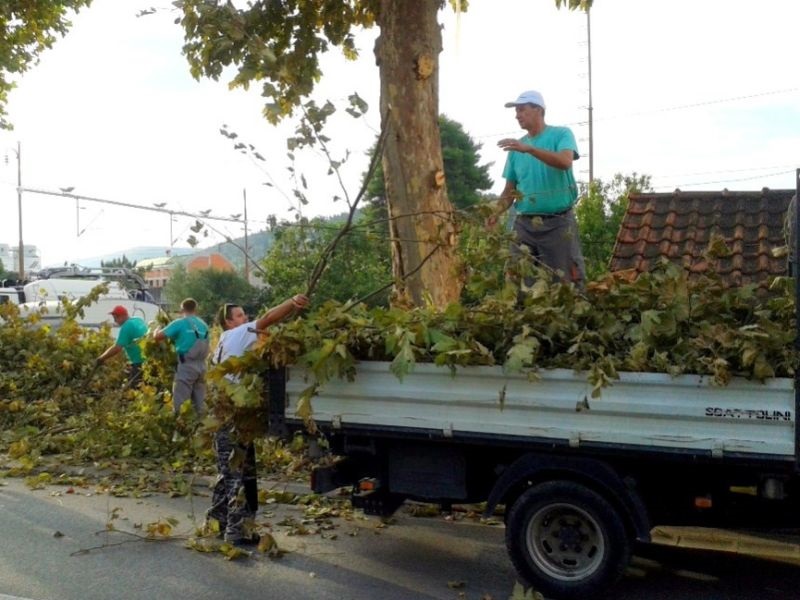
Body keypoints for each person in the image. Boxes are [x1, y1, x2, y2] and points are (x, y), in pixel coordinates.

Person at [205, 294, 310, 546]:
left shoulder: (225, 340)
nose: (245, 319)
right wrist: (291, 303)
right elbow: (267, 320)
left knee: (232, 471)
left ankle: (216, 521)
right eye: (240, 315)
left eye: (245, 315)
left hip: (229, 414)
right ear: (230, 322)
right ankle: (236, 530)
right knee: (237, 475)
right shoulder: (240, 333)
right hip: (233, 416)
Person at [487, 89, 586, 287]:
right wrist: (494, 213)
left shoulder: (561, 134)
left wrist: (531, 149)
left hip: (557, 223)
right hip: (524, 225)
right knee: (517, 280)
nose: (517, 115)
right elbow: (510, 191)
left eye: (522, 109)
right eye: (516, 111)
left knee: (566, 284)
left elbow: (565, 161)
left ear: (538, 110)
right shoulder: (517, 148)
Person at [153, 297, 210, 416]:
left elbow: (158, 337)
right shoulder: (204, 325)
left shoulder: (180, 323)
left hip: (187, 366)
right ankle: (201, 431)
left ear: (182, 309)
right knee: (200, 405)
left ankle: (182, 431)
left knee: (181, 405)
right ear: (195, 310)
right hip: (202, 367)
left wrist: (156, 330)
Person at [96, 305, 149, 388]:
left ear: (123, 316)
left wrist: (102, 358)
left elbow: (117, 348)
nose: (115, 320)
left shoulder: (126, 326)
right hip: (149, 360)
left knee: (136, 389)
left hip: (139, 362)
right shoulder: (138, 320)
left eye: (116, 317)